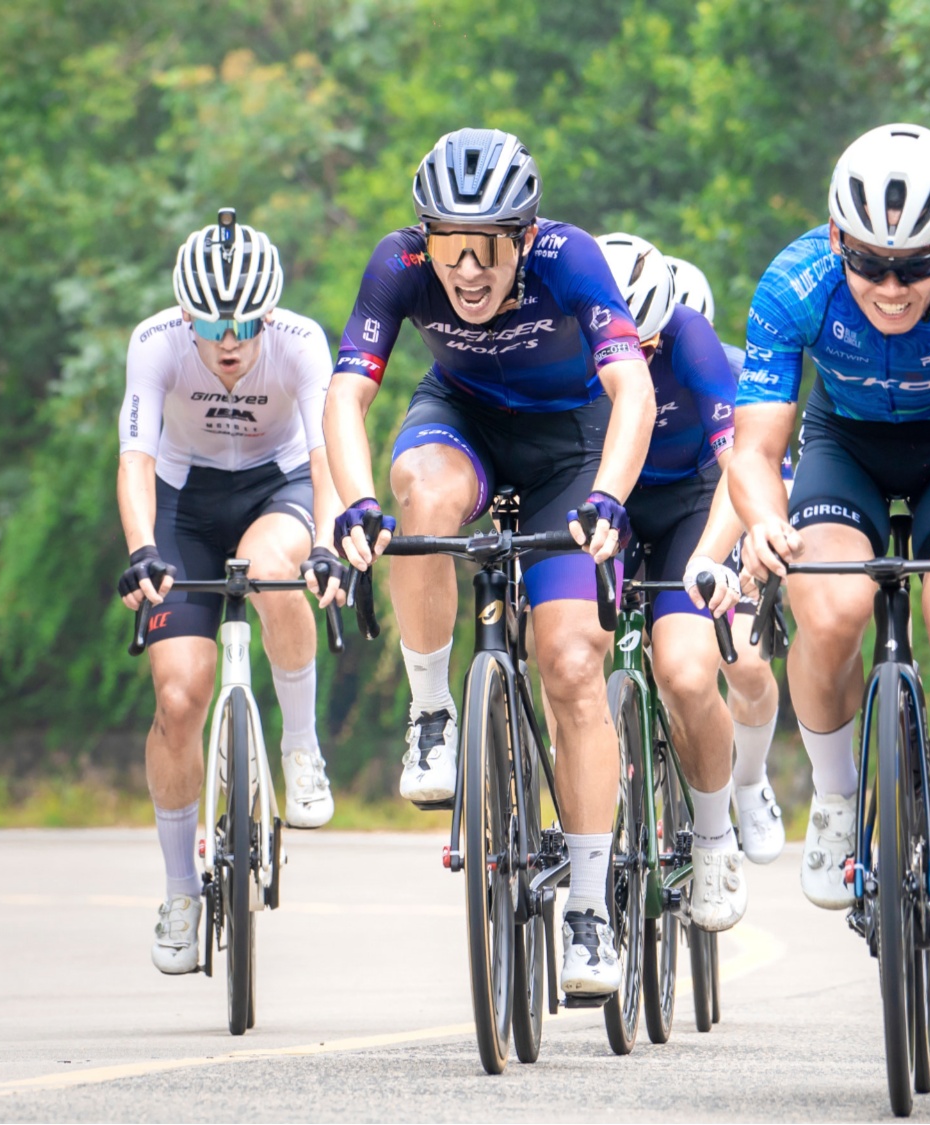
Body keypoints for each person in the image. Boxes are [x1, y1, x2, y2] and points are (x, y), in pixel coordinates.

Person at [323, 129, 655, 996]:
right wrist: (355, 502)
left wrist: (609, 496)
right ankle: (433, 713)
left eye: (487, 250)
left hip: (567, 448)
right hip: (461, 419)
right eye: (449, 248)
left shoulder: (568, 257)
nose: (466, 271)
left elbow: (633, 387)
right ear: (424, 237)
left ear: (524, 236)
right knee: (419, 497)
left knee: (571, 664)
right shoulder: (397, 262)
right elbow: (346, 394)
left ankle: (588, 910)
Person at [729, 123, 930, 977]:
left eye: (914, 267)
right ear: (835, 238)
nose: (889, 287)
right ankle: (836, 793)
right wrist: (762, 520)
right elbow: (753, 448)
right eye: (869, 263)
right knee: (830, 605)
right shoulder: (794, 282)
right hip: (844, 443)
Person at [117, 208, 343, 974]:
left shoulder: (301, 342)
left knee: (269, 566)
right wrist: (143, 550)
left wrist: (325, 544)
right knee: (179, 696)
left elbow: (326, 458)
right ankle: (180, 891)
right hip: (184, 502)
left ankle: (301, 746)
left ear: (268, 313)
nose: (229, 342)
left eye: (245, 324)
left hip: (278, 485)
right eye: (212, 325)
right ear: (186, 315)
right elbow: (136, 460)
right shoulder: (153, 343)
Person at [594, 233, 765, 928]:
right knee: (562, 648)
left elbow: (738, 464)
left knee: (689, 674)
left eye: (648, 346)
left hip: (689, 501)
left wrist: (713, 555)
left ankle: (714, 839)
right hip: (606, 497)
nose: (636, 362)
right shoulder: (562, 334)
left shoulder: (691, 338)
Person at [665, 254, 786, 863]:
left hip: (728, 511)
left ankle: (750, 778)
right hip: (658, 513)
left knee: (746, 664)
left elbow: (767, 472)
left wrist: (754, 558)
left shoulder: (736, 372)